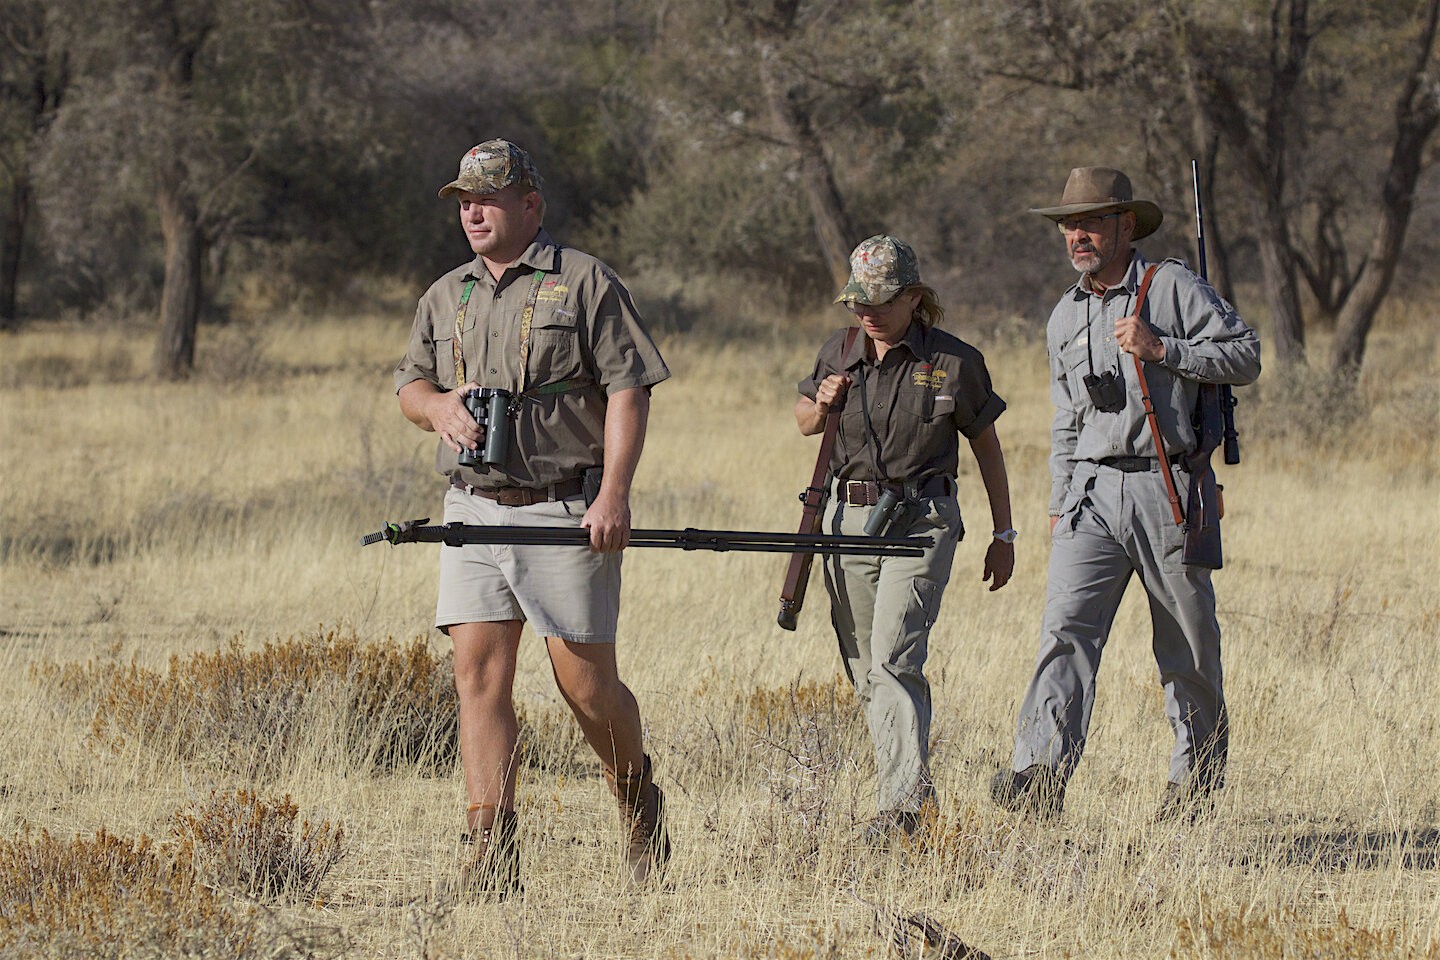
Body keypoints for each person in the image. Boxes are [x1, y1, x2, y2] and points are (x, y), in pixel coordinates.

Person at [393, 139, 672, 896]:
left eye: (487, 197)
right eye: (463, 201)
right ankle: (492, 851)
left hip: (564, 507)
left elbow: (629, 388)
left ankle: (638, 802)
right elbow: (410, 386)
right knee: (477, 675)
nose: (473, 212)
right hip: (473, 509)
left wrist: (614, 492)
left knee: (585, 686)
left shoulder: (583, 281)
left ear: (530, 205)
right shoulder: (445, 293)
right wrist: (439, 407)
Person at [990, 166, 1261, 822]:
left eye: (1090, 223)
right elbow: (1067, 419)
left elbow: (1246, 355)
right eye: (1068, 225)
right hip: (1090, 494)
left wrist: (1163, 347)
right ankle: (1040, 776)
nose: (1076, 235)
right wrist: (1059, 504)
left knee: (1186, 643)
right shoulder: (1066, 314)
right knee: (1065, 631)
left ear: (1126, 226)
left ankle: (1193, 785)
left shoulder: (1170, 286)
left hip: (1168, 488)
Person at [796, 235, 1016, 840]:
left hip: (921, 523)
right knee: (865, 667)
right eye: (857, 302)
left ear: (914, 297)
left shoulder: (954, 361)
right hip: (849, 520)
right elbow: (804, 423)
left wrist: (1004, 531)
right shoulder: (838, 353)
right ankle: (911, 790)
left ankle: (900, 808)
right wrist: (822, 403)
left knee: (895, 657)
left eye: (882, 301)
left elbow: (986, 446)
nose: (867, 313)